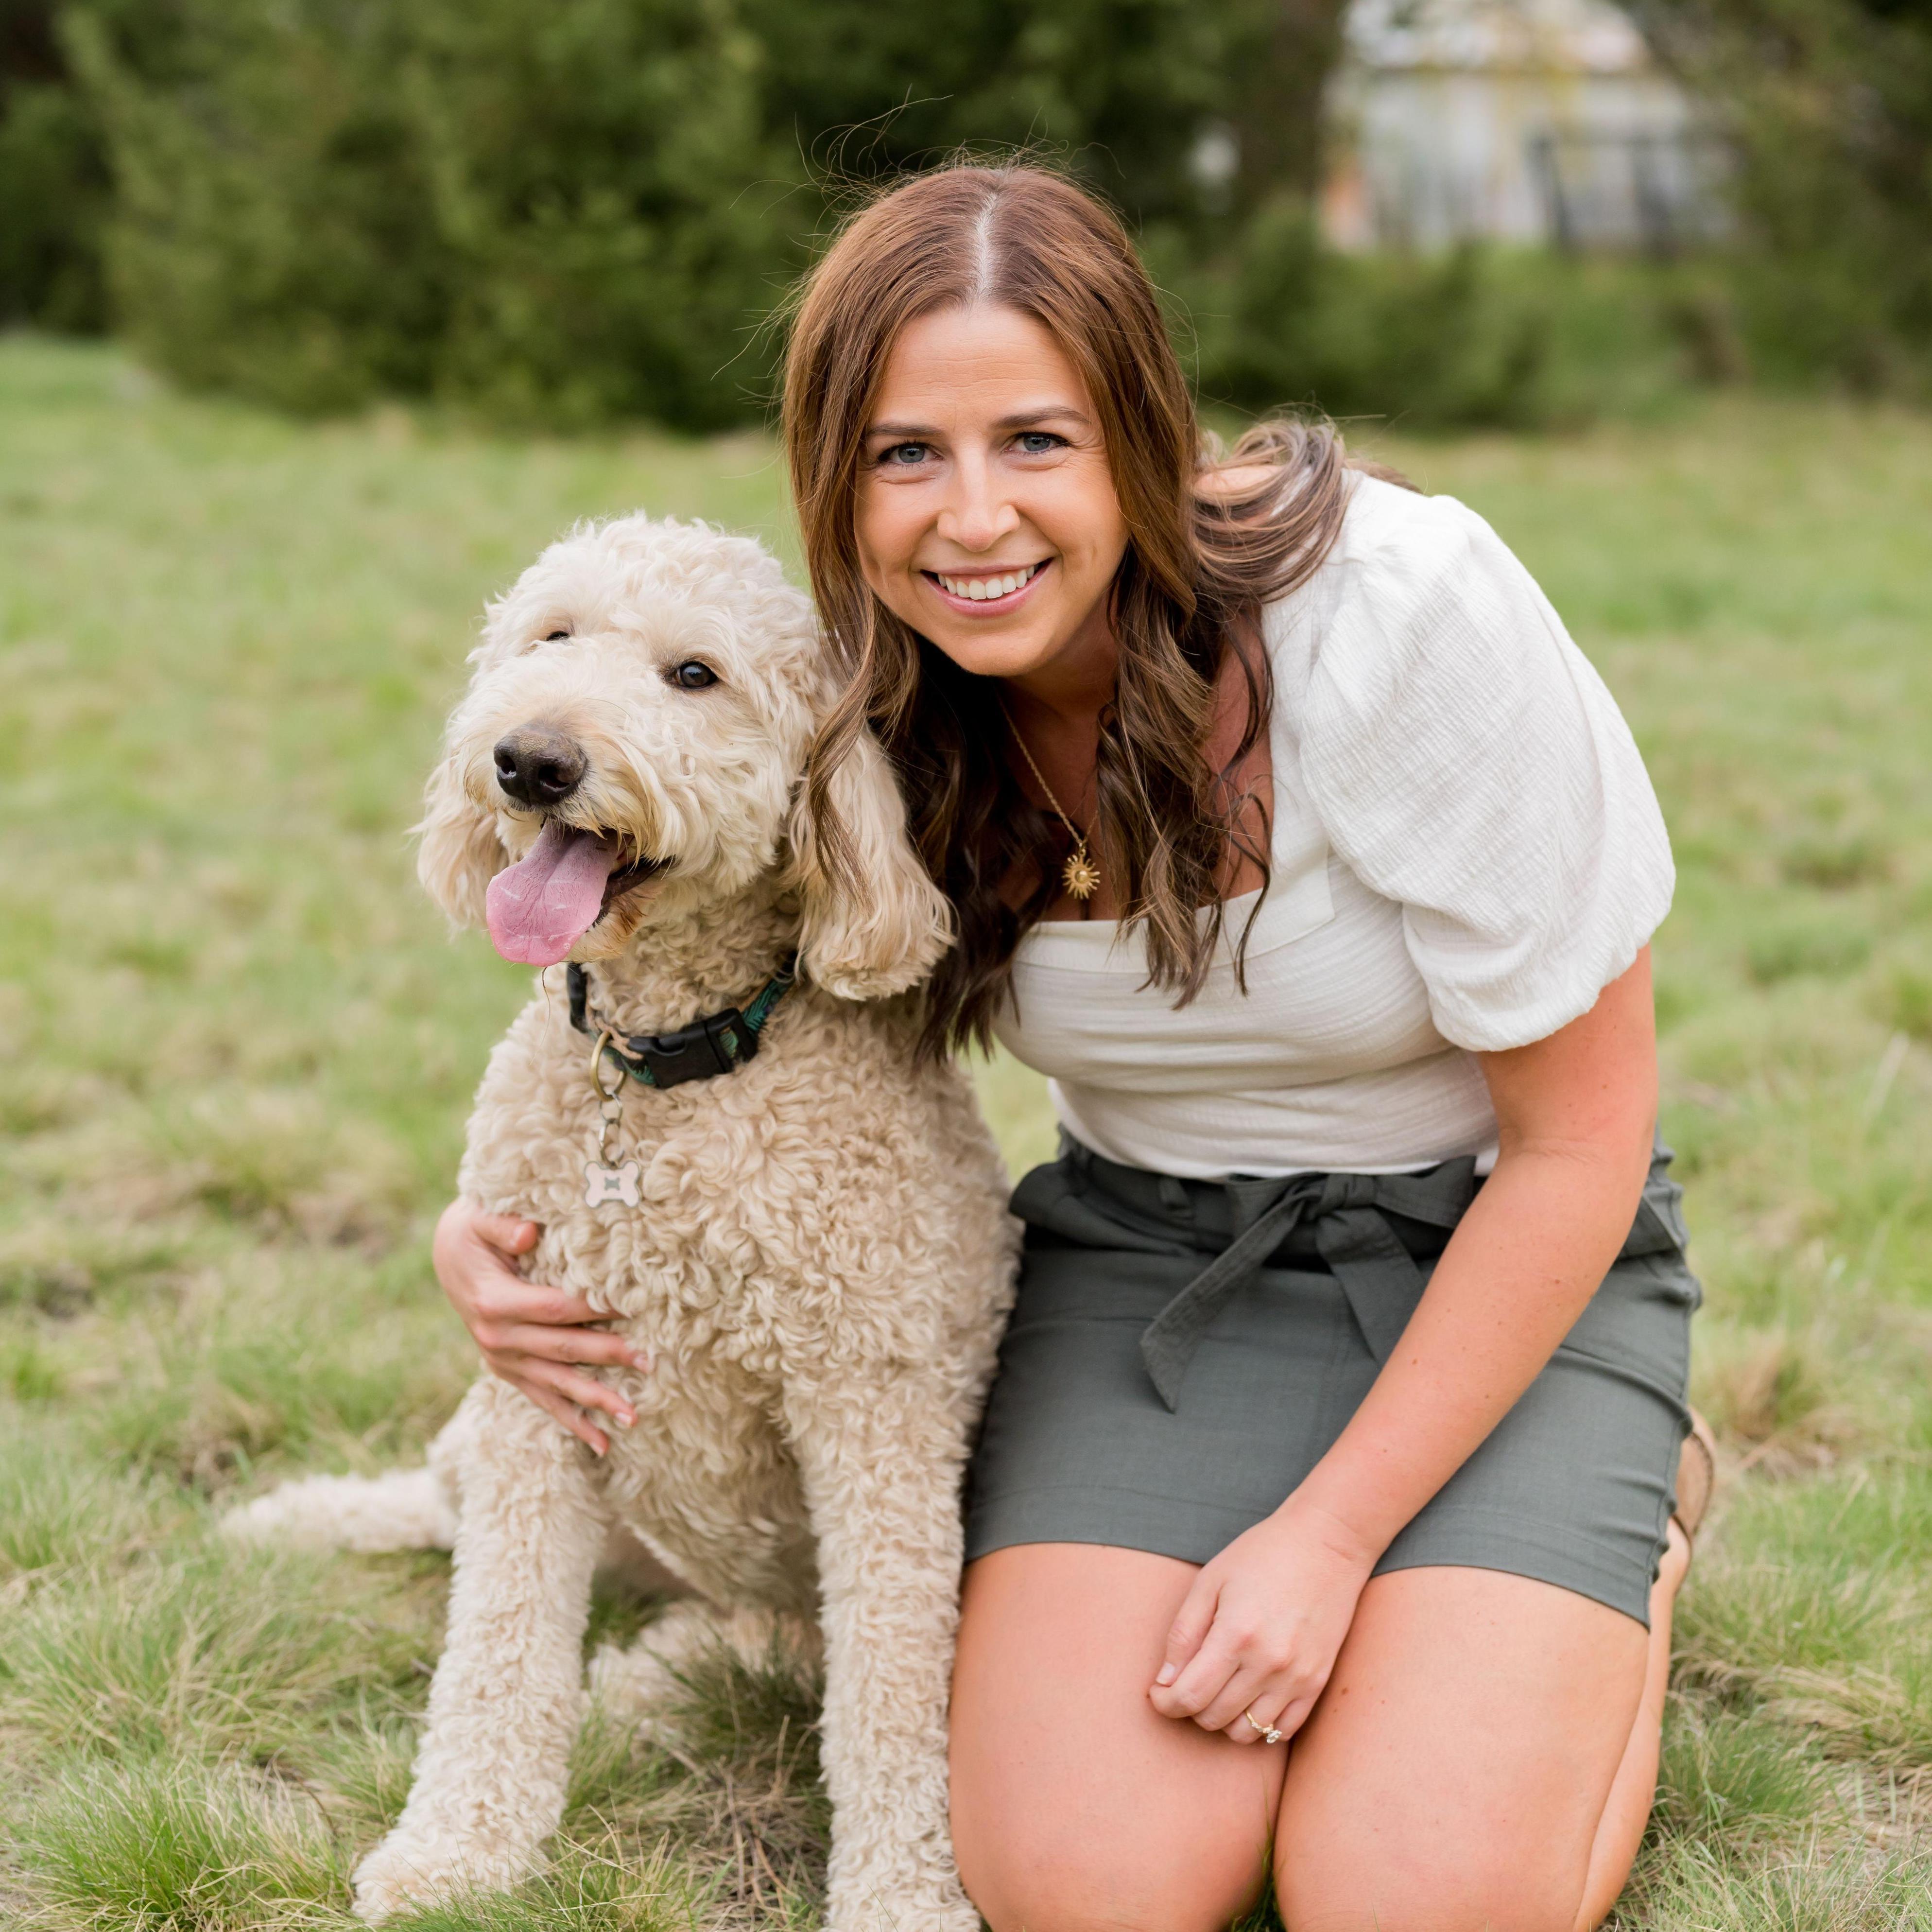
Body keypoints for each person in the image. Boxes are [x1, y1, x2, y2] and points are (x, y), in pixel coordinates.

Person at [430, 164, 1714, 1932]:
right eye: (904, 455)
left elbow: (1579, 1146)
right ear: (837, 479)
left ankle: (1625, 1520)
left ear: (1140, 428)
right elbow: (707, 1016)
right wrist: (501, 1239)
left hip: (1499, 1245)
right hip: (1153, 1260)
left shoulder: (1406, 614)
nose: (971, 520)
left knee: (1413, 1896)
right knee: (1084, 1886)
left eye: (1035, 440)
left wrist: (1329, 1545)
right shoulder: (860, 703)